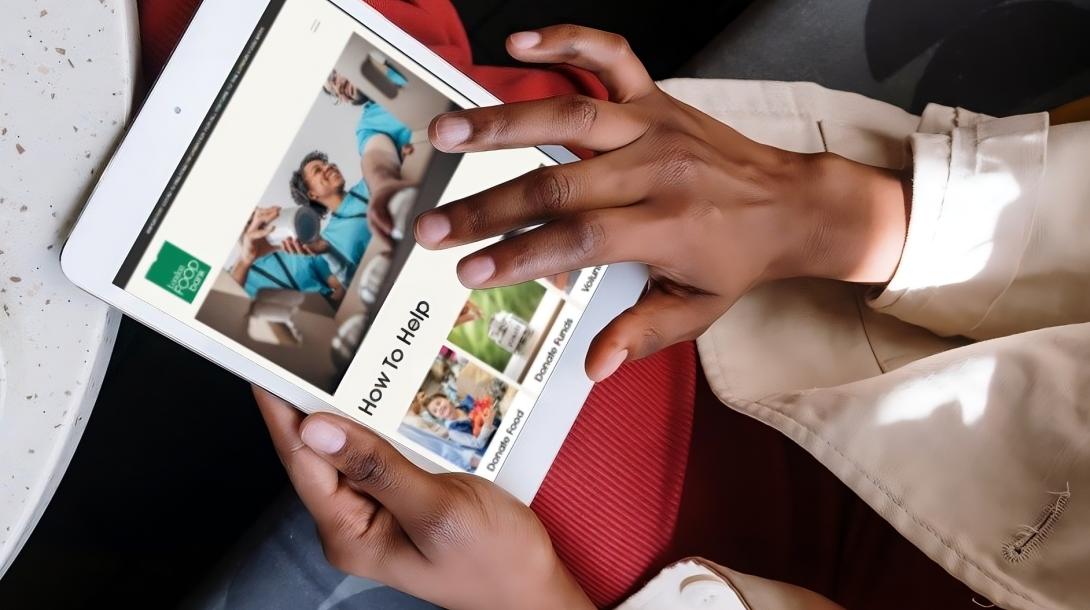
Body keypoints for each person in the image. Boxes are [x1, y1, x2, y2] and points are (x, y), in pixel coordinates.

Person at [253, 24, 1090, 610]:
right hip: (909, 321)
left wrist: (533, 602)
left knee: (402, 374)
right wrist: (819, 211)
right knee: (544, 155)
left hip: (727, 578)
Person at [229, 205, 345, 303]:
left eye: (256, 218)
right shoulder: (237, 275)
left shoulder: (297, 247)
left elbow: (340, 285)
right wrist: (245, 260)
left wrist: (329, 308)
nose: (255, 225)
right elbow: (224, 307)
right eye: (250, 222)